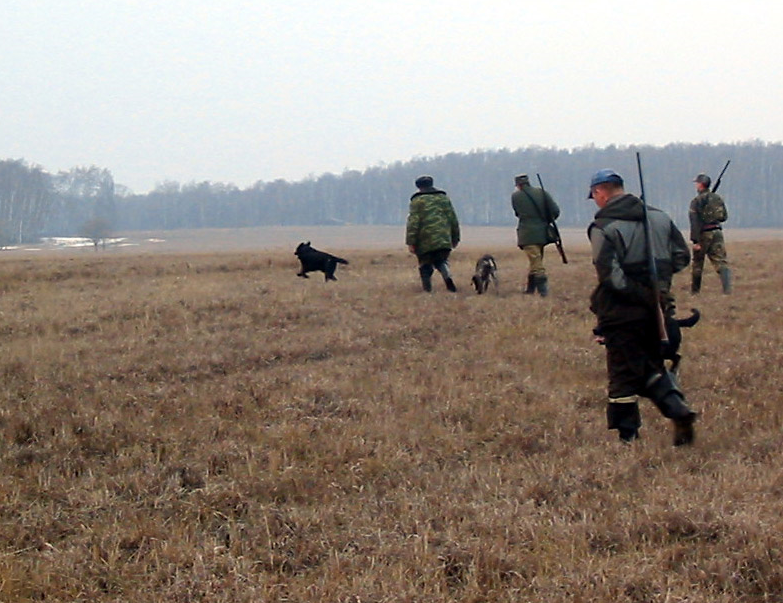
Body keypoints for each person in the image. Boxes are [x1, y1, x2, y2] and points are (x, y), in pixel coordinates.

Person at [587, 169, 697, 445]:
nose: (595, 201)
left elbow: (611, 277)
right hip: (660, 309)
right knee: (651, 366)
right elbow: (682, 257)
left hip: (622, 312)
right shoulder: (659, 217)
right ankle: (676, 410)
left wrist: (641, 293)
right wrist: (658, 285)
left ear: (601, 192)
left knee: (624, 374)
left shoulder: (603, 227)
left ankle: (630, 437)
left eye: (595, 196)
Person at [405, 175, 460, 292]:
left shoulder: (417, 201)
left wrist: (411, 242)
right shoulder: (443, 198)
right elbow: (453, 218)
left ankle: (427, 290)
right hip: (444, 238)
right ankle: (447, 276)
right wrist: (455, 237)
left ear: (419, 187)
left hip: (424, 240)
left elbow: (413, 222)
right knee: (441, 261)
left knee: (425, 265)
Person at [511, 174, 561, 296]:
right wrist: (545, 220)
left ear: (518, 185)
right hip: (543, 233)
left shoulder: (516, 196)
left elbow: (517, 213)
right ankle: (530, 290)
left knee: (536, 263)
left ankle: (543, 293)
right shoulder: (542, 192)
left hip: (528, 234)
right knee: (536, 260)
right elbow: (555, 211)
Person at [689, 173, 731, 294]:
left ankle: (695, 292)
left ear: (701, 185)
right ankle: (727, 290)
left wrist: (695, 241)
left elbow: (694, 221)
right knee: (721, 262)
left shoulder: (696, 201)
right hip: (717, 232)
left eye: (697, 183)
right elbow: (724, 217)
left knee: (697, 263)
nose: (696, 185)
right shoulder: (717, 198)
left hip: (703, 234)